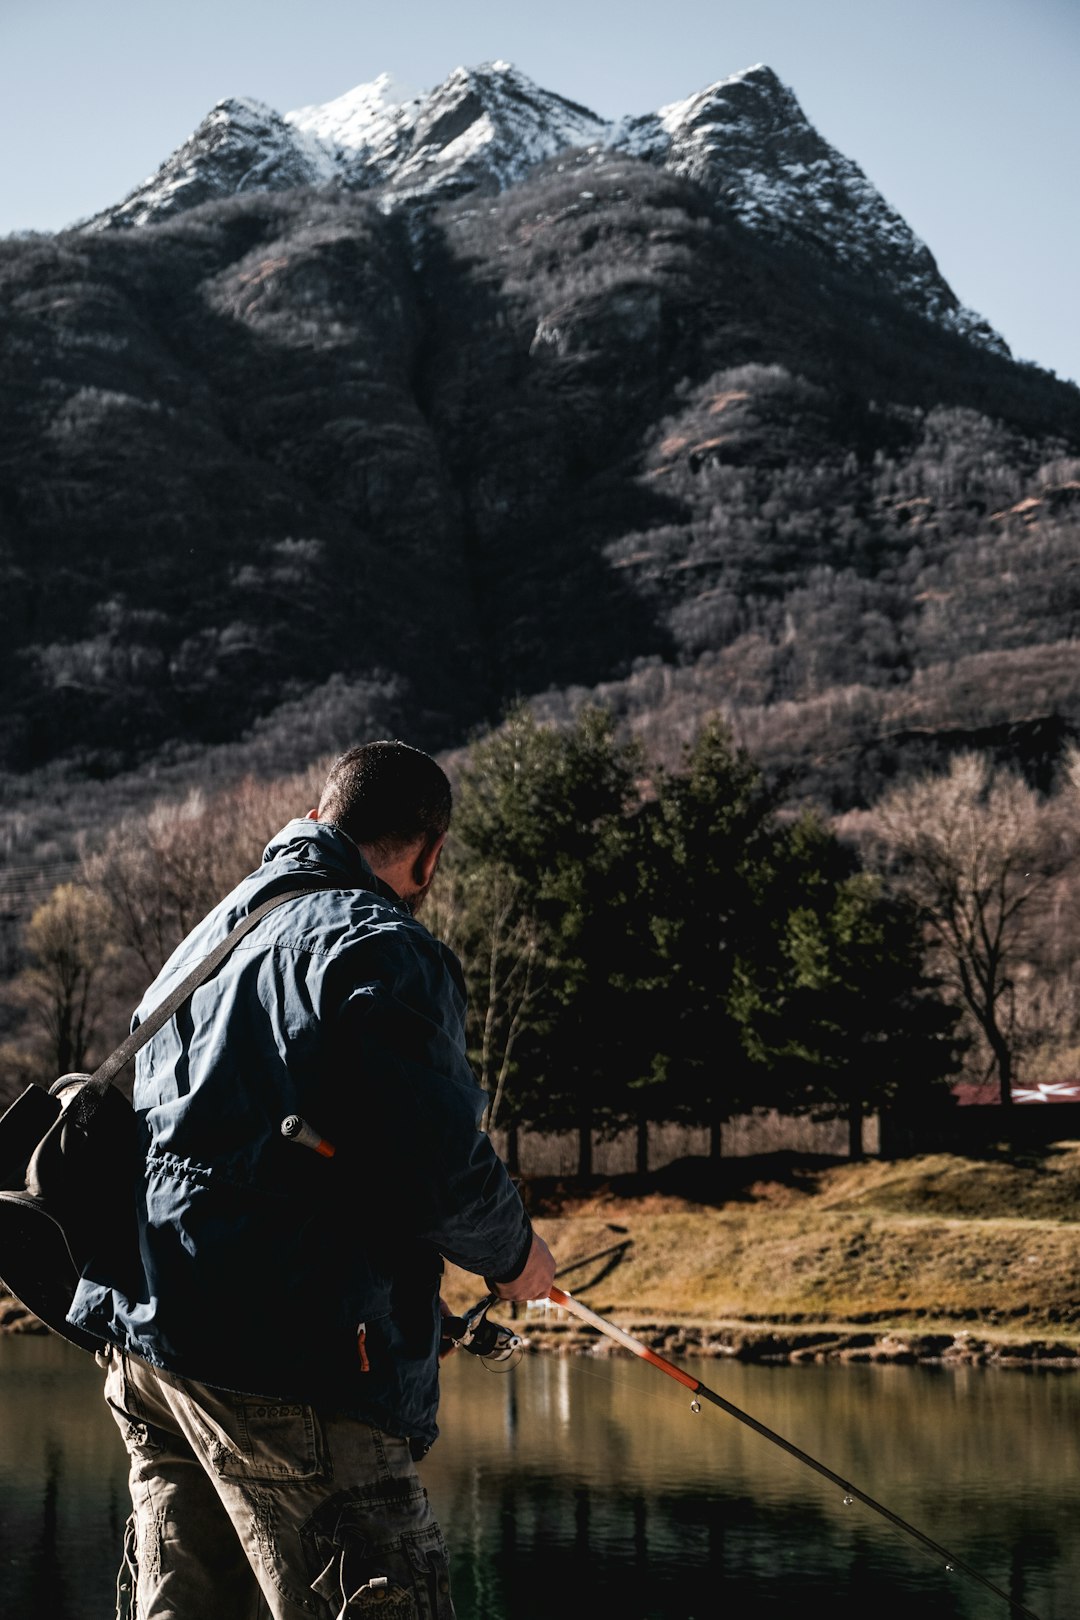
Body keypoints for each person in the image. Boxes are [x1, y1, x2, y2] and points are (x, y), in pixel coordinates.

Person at [69, 740, 556, 1619]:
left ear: (320, 815)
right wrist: (515, 1255)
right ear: (430, 854)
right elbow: (440, 1168)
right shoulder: (383, 947)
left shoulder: (214, 931)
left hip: (148, 1346)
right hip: (293, 1364)